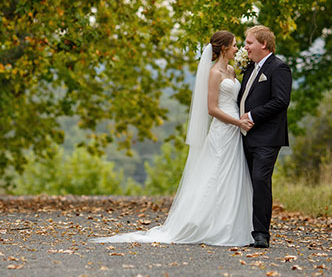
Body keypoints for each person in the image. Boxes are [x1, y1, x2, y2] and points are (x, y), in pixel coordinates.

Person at [92, 31, 254, 246]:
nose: (237, 49)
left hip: (236, 129)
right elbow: (212, 109)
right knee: (216, 173)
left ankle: (232, 223)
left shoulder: (232, 70)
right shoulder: (214, 73)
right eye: (234, 45)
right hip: (224, 129)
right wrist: (237, 123)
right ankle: (205, 224)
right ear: (224, 48)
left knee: (233, 174)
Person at [238, 25, 291, 248]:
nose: (245, 47)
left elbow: (281, 101)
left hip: (267, 137)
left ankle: (261, 234)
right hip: (244, 136)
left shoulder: (279, 68)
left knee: (260, 180)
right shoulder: (250, 69)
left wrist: (251, 115)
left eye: (249, 43)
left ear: (264, 44)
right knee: (246, 182)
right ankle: (242, 230)